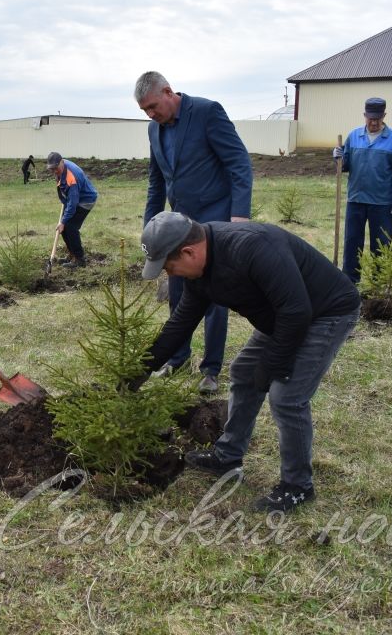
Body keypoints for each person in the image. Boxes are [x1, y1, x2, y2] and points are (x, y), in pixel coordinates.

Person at [132, 212, 360, 512]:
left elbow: (296, 311)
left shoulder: (251, 247)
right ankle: (228, 455)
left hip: (325, 312)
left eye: (169, 267)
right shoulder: (200, 274)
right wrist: (141, 368)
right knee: (243, 372)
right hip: (282, 317)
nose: (170, 275)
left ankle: (297, 486)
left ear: (189, 252)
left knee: (286, 397)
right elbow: (181, 323)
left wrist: (272, 364)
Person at [134, 71, 253, 395]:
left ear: (169, 92)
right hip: (176, 225)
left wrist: (238, 217)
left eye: (153, 107)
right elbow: (157, 181)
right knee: (177, 291)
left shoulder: (206, 112)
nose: (151, 114)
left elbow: (239, 163)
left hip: (215, 221)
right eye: (145, 110)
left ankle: (211, 369)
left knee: (214, 296)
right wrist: (151, 228)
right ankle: (178, 358)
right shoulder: (153, 129)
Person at [333, 97, 392, 283]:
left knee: (381, 243)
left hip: (382, 203)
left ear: (384, 116)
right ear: (364, 115)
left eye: (378, 118)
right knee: (352, 242)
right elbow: (345, 165)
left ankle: (379, 280)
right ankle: (350, 280)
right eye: (370, 118)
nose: (373, 122)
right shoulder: (354, 136)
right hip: (356, 199)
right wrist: (338, 158)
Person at [46, 151, 98, 268]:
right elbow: (63, 189)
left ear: (62, 162)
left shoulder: (71, 177)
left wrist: (64, 221)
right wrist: (64, 202)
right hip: (74, 199)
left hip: (85, 200)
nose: (54, 171)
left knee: (70, 227)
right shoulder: (61, 168)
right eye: (52, 169)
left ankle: (79, 260)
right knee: (63, 228)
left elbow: (73, 203)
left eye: (56, 168)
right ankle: (72, 254)